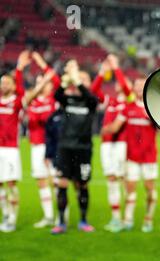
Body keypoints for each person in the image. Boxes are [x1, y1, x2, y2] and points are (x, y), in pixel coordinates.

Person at [102, 77, 160, 232]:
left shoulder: (152, 108)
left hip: (149, 156)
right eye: (136, 85)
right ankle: (128, 220)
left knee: (150, 188)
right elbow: (116, 126)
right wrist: (105, 129)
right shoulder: (127, 107)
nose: (138, 88)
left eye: (141, 86)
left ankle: (148, 219)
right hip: (132, 156)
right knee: (130, 188)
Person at [51, 60, 98, 234]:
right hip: (65, 148)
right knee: (62, 183)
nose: (79, 80)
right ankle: (61, 222)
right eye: (78, 78)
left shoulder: (91, 101)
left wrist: (75, 75)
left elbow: (88, 94)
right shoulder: (67, 99)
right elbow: (56, 95)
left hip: (84, 149)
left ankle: (83, 220)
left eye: (84, 79)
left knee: (83, 184)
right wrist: (66, 80)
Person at [91, 54, 132, 233]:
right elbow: (93, 91)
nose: (120, 85)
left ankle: (125, 218)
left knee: (121, 180)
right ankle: (115, 218)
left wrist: (116, 67)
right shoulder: (111, 101)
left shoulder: (128, 102)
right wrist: (102, 73)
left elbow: (113, 128)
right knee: (111, 180)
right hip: (107, 145)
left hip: (120, 145)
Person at [23, 51, 60, 228]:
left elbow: (55, 79)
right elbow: (27, 102)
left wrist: (40, 62)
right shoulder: (32, 102)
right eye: (39, 82)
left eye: (44, 82)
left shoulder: (54, 100)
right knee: (41, 181)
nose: (42, 84)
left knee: (56, 180)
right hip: (37, 146)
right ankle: (48, 216)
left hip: (52, 145)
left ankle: (61, 215)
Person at [0, 50, 29, 232]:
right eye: (1, 83)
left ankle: (13, 218)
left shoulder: (17, 102)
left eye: (6, 83)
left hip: (11, 149)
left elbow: (22, 93)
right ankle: (5, 213)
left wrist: (18, 70)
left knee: (11, 184)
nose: (3, 85)